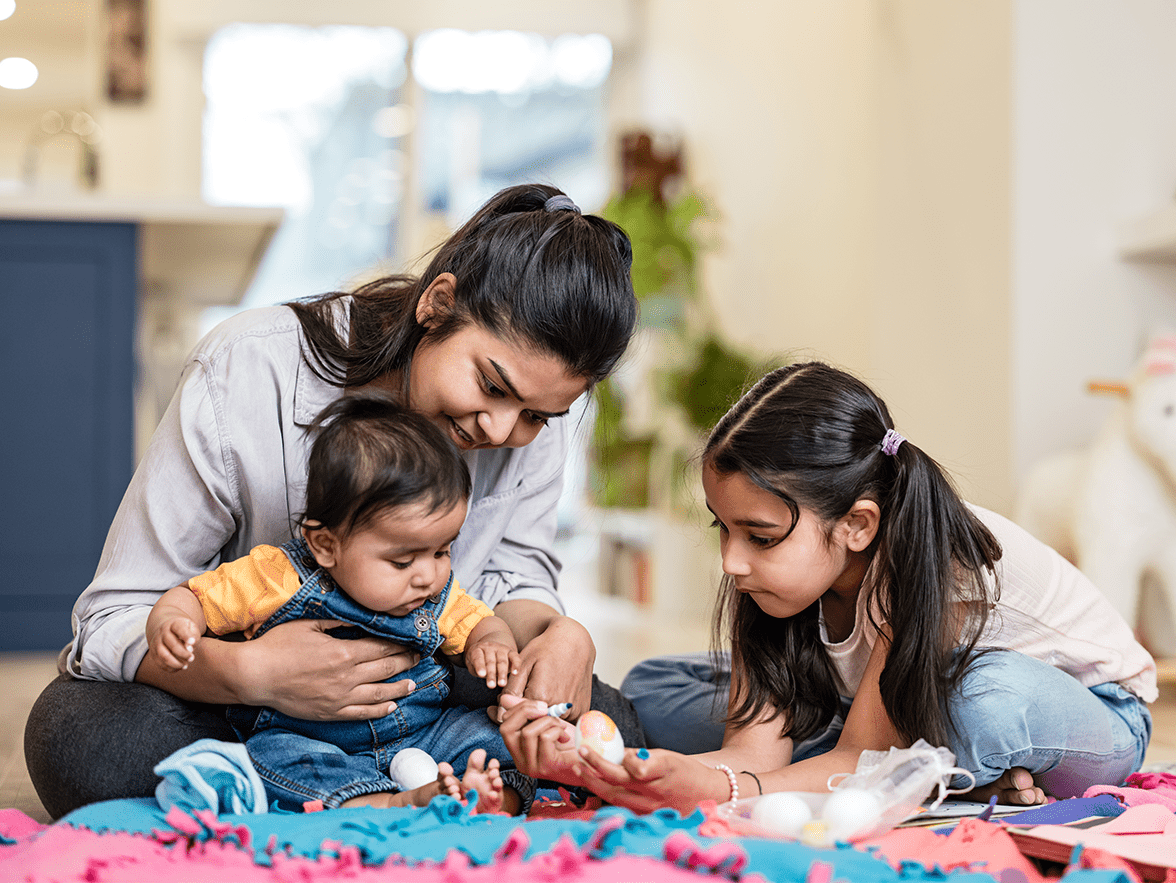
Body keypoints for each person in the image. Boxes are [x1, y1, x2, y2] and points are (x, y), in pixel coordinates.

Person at [26, 184, 644, 819]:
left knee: (611, 716)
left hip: (422, 693)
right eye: (490, 385)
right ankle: (392, 792)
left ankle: (343, 800)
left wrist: (557, 633)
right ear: (437, 303)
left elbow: (511, 581)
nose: (498, 430)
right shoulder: (248, 369)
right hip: (251, 709)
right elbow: (111, 619)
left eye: (537, 417)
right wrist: (251, 674)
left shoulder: (531, 412)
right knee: (82, 734)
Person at [501, 361, 1157, 814]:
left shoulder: (932, 555)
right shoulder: (772, 575)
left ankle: (890, 756)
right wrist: (684, 771)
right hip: (870, 711)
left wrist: (717, 784)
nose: (731, 560)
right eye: (722, 528)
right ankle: (906, 760)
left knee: (980, 706)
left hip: (1090, 712)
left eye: (758, 536)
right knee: (654, 688)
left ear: (857, 524)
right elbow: (753, 749)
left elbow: (848, 755)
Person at [147, 394, 533, 814]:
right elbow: (195, 597)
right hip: (317, 742)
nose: (428, 575)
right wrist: (173, 620)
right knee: (271, 756)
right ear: (326, 545)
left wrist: (491, 643)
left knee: (500, 734)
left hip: (425, 732)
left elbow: (479, 621)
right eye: (402, 560)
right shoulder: (276, 576)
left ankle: (490, 796)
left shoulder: (435, 592)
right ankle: (389, 803)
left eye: (442, 551)